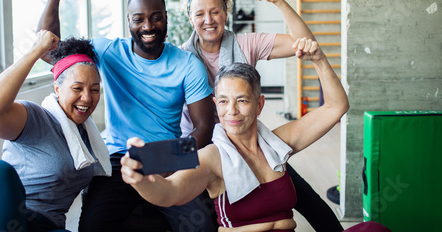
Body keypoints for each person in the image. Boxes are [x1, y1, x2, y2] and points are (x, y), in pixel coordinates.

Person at [121, 40, 390, 232]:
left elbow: (336, 107)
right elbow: (171, 192)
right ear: (216, 104)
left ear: (259, 104)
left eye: (242, 101)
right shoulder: (213, 157)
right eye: (224, 102)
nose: (232, 111)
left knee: (374, 229)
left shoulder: (277, 143)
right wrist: (142, 181)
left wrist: (319, 60)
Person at [37, 0, 217, 231]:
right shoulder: (109, 52)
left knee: (204, 227)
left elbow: (204, 128)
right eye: (139, 19)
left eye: (155, 17)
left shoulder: (188, 65)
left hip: (170, 158)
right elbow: (48, 50)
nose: (148, 26)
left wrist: (164, 160)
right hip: (119, 159)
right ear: (129, 22)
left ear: (165, 18)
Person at [178, 0, 344, 231]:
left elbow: (304, 43)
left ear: (225, 14)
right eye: (200, 14)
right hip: (206, 149)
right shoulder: (181, 58)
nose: (208, 20)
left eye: (215, 12)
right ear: (191, 19)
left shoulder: (246, 44)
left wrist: (276, 0)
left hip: (249, 142)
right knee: (208, 219)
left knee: (311, 203)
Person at [0, 30, 112, 232]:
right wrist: (36, 50)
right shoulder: (36, 118)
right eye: (77, 88)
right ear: (58, 89)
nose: (87, 98)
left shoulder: (89, 139)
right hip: (3, 216)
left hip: (48, 225)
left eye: (95, 89)